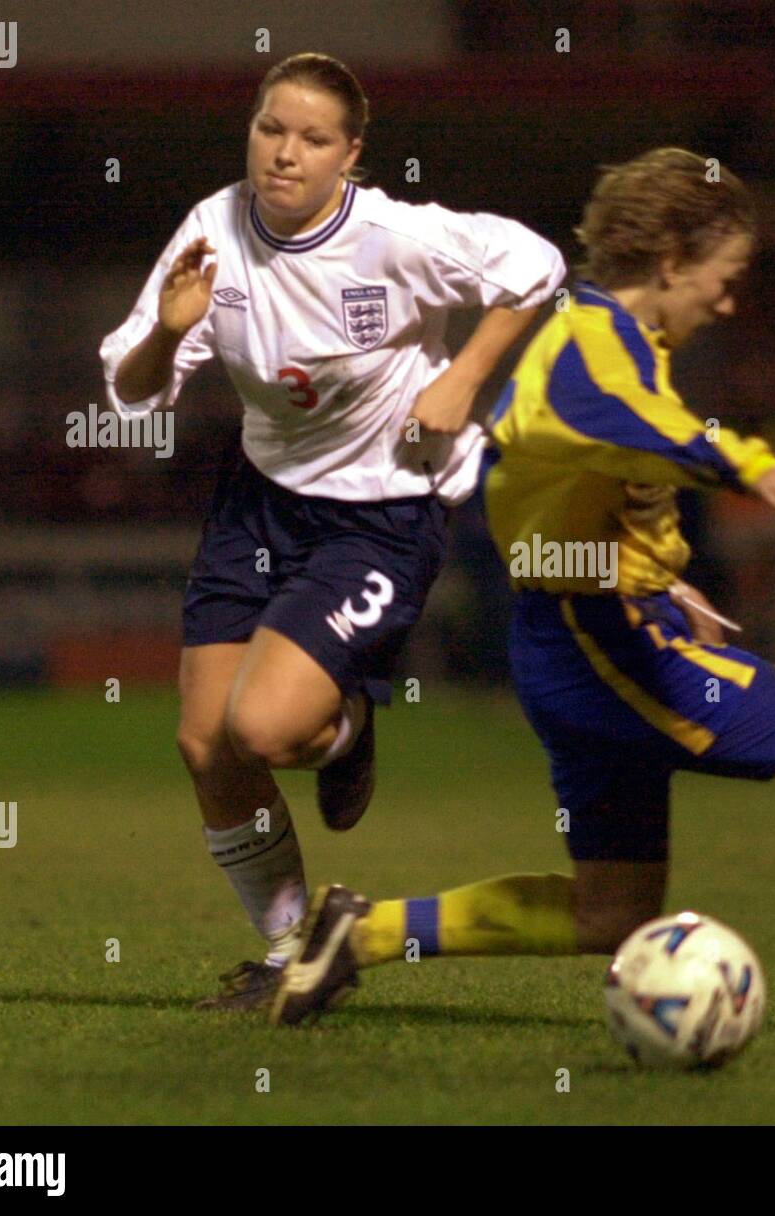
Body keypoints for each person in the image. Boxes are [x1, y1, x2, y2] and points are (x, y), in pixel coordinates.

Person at [273, 148, 775, 1042]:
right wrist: (752, 466)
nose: (728, 302)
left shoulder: (601, 338)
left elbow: (531, 480)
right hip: (604, 645)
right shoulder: (590, 352)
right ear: (671, 263)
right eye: (724, 279)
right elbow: (632, 427)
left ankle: (363, 930)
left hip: (580, 631)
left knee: (610, 913)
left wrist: (648, 569)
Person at [99, 53, 565, 1010]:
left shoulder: (395, 236)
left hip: (381, 509)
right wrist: (166, 331)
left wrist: (465, 376)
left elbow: (539, 266)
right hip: (259, 497)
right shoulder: (212, 229)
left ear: (349, 155)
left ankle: (346, 732)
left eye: (313, 139)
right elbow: (135, 391)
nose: (285, 152)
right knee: (204, 743)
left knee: (267, 727)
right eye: (272, 128)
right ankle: (290, 953)